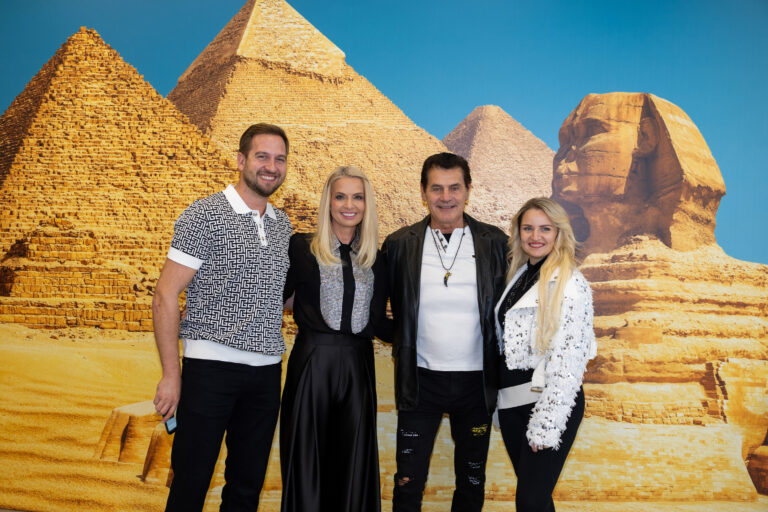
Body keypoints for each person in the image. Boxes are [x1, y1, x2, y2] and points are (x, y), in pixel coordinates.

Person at [152, 123, 292, 511]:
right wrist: (171, 375)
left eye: (280, 159)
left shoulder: (283, 225)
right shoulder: (204, 215)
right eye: (262, 156)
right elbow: (164, 296)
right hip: (210, 371)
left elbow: (280, 297)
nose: (271, 167)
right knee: (190, 485)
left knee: (246, 490)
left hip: (266, 374)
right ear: (241, 160)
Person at [382, 152, 508, 512]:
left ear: (468, 190)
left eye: (454, 188)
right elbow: (376, 312)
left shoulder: (495, 243)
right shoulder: (399, 244)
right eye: (436, 188)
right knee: (408, 482)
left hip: (476, 384)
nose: (446, 197)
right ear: (423, 192)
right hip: (420, 382)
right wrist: (404, 341)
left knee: (471, 482)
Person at [280, 166, 391, 512]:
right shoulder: (301, 247)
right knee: (307, 461)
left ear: (367, 204)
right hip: (312, 364)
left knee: (352, 462)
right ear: (328, 202)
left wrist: (426, 332)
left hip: (358, 367)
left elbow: (378, 323)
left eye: (358, 197)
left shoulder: (377, 259)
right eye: (340, 196)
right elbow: (274, 297)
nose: (349, 205)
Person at [493, 197, 597, 512]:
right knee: (536, 501)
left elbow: (569, 359)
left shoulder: (571, 283)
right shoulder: (518, 275)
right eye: (528, 228)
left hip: (545, 404)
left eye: (545, 229)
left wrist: (548, 422)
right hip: (511, 405)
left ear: (559, 233)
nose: (535, 236)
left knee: (530, 501)